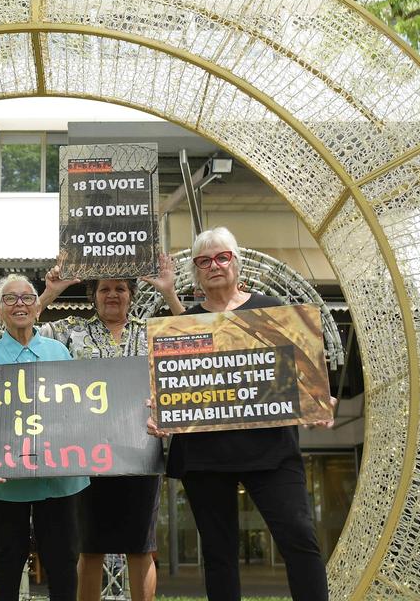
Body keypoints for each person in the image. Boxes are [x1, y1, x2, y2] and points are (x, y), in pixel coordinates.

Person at [147, 227, 329, 601]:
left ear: (236, 262)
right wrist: (163, 412)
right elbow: (175, 385)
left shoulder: (272, 308)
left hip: (272, 451)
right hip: (205, 456)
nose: (214, 265)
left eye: (222, 257)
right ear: (196, 272)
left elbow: (306, 371)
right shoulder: (185, 324)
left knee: (299, 537)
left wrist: (317, 399)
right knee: (218, 554)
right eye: (204, 261)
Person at [37, 254, 183, 601]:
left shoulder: (152, 332)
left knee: (140, 547)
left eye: (120, 288)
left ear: (131, 295)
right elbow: (21, 331)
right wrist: (49, 294)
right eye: (105, 289)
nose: (112, 294)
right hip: (87, 454)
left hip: (141, 451)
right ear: (94, 296)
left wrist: (170, 293)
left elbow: (199, 338)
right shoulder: (70, 332)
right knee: (89, 547)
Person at [0, 274, 88, 601]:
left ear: (38, 306)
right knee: (6, 559)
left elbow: (76, 409)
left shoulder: (60, 353)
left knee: (63, 559)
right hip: (4, 480)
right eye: (10, 299)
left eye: (26, 298)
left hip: (59, 475)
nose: (19, 304)